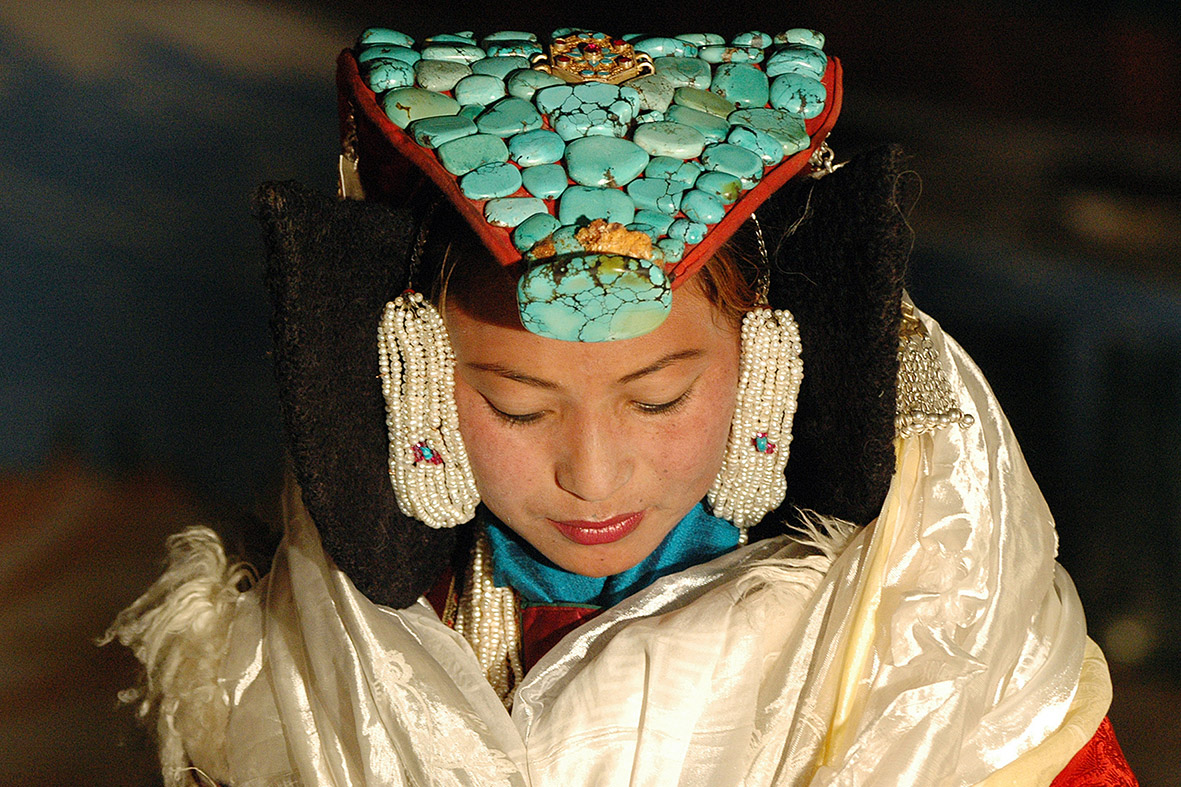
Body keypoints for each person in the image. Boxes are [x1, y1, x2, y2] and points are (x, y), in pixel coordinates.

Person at [106, 25, 1137, 786]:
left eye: (659, 399)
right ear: (414, 371)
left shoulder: (932, 617)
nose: (591, 476)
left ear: (768, 354)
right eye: (515, 408)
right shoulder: (306, 654)